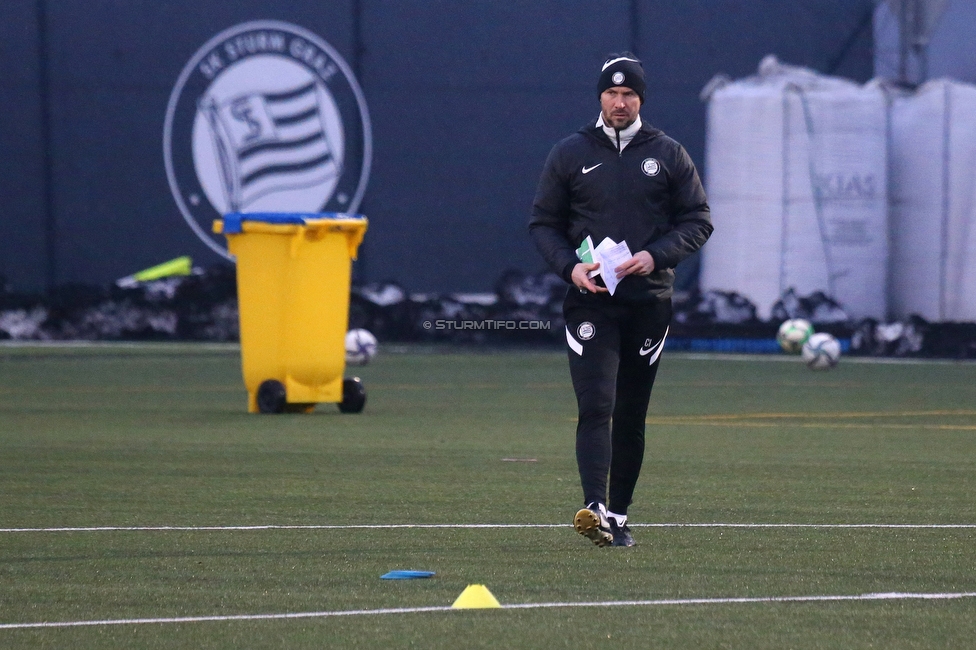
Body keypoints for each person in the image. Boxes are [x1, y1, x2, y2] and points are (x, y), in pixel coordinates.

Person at [528, 53, 712, 547]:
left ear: (641, 100)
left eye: (629, 94)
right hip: (590, 303)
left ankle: (620, 516)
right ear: (599, 98)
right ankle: (594, 506)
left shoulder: (668, 153)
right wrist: (570, 267)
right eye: (611, 93)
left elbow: (698, 220)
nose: (619, 102)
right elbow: (543, 224)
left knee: (631, 413)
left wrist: (656, 256)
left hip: (648, 302)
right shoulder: (570, 152)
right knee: (596, 405)